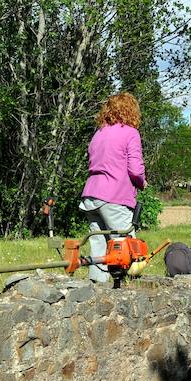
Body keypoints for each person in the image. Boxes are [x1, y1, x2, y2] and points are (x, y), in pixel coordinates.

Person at [80, 92, 147, 283]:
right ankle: (130, 290)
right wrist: (142, 182)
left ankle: (95, 289)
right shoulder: (130, 133)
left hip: (91, 195)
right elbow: (135, 169)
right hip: (114, 196)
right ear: (131, 110)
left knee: (98, 245)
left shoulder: (98, 133)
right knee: (126, 245)